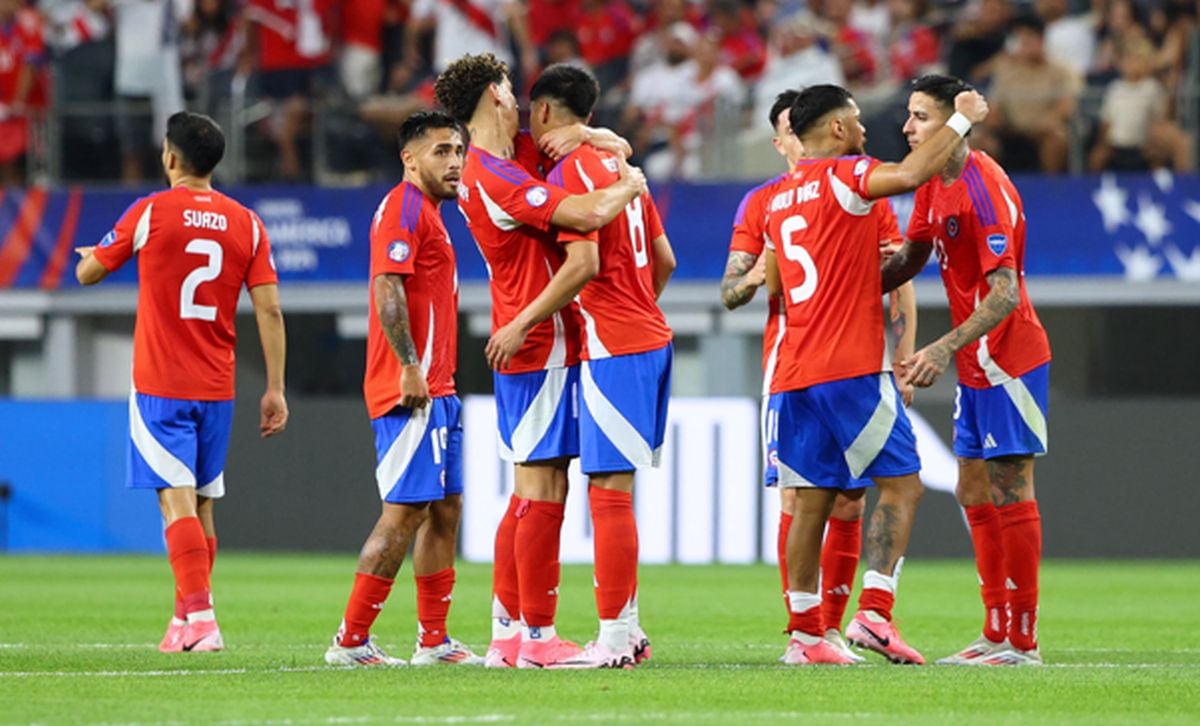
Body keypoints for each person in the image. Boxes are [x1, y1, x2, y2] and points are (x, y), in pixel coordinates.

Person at [761, 83, 989, 665]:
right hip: (850, 367)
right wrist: (960, 122)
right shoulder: (849, 174)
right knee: (903, 485)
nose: (866, 131)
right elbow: (910, 174)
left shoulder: (777, 198)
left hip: (794, 369)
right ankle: (875, 612)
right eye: (858, 120)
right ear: (837, 128)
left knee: (810, 501)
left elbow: (787, 280)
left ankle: (805, 635)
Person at [433, 52, 647, 669]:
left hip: (545, 342)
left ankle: (508, 634)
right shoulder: (492, 175)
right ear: (496, 96)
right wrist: (631, 184)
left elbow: (608, 143)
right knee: (540, 489)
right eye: (509, 88)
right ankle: (535, 635)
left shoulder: (519, 153)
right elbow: (587, 212)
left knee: (532, 490)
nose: (520, 99)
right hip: (535, 344)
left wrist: (594, 137)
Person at [75, 111, 288, 653]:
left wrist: (93, 255)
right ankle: (182, 620)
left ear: (170, 157)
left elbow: (88, 274)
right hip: (217, 388)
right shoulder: (247, 222)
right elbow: (270, 310)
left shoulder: (150, 210)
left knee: (175, 502)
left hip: (161, 383)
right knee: (202, 504)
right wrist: (275, 388)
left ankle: (203, 619)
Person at [721, 89, 916, 662]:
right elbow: (730, 292)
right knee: (801, 497)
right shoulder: (764, 201)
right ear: (781, 140)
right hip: (796, 358)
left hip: (826, 359)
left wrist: (903, 351)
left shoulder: (852, 191)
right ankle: (817, 627)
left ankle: (823, 630)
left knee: (847, 500)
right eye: (784, 129)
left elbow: (894, 272)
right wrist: (755, 277)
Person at [518, 63, 675, 668]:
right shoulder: (620, 168)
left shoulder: (567, 173)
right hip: (650, 337)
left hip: (614, 345)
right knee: (616, 489)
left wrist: (524, 321)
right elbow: (665, 259)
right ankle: (627, 629)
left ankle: (611, 637)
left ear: (543, 113)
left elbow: (581, 263)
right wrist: (634, 306)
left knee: (608, 492)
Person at [898, 74, 1051, 666]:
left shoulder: (983, 186)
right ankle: (994, 628)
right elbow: (910, 257)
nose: (908, 128)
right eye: (909, 116)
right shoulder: (931, 183)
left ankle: (1023, 639)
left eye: (921, 117)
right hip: (974, 362)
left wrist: (940, 347)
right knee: (971, 487)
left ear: (952, 123)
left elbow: (1006, 293)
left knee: (1010, 487)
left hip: (1009, 358)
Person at [323, 111, 484, 668]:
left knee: (445, 508)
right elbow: (387, 285)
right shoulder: (404, 208)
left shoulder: (430, 213)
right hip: (411, 388)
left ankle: (434, 641)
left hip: (440, 388)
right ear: (409, 160)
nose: (455, 162)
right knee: (405, 511)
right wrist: (409, 365)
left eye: (458, 151)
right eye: (441, 151)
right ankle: (350, 641)